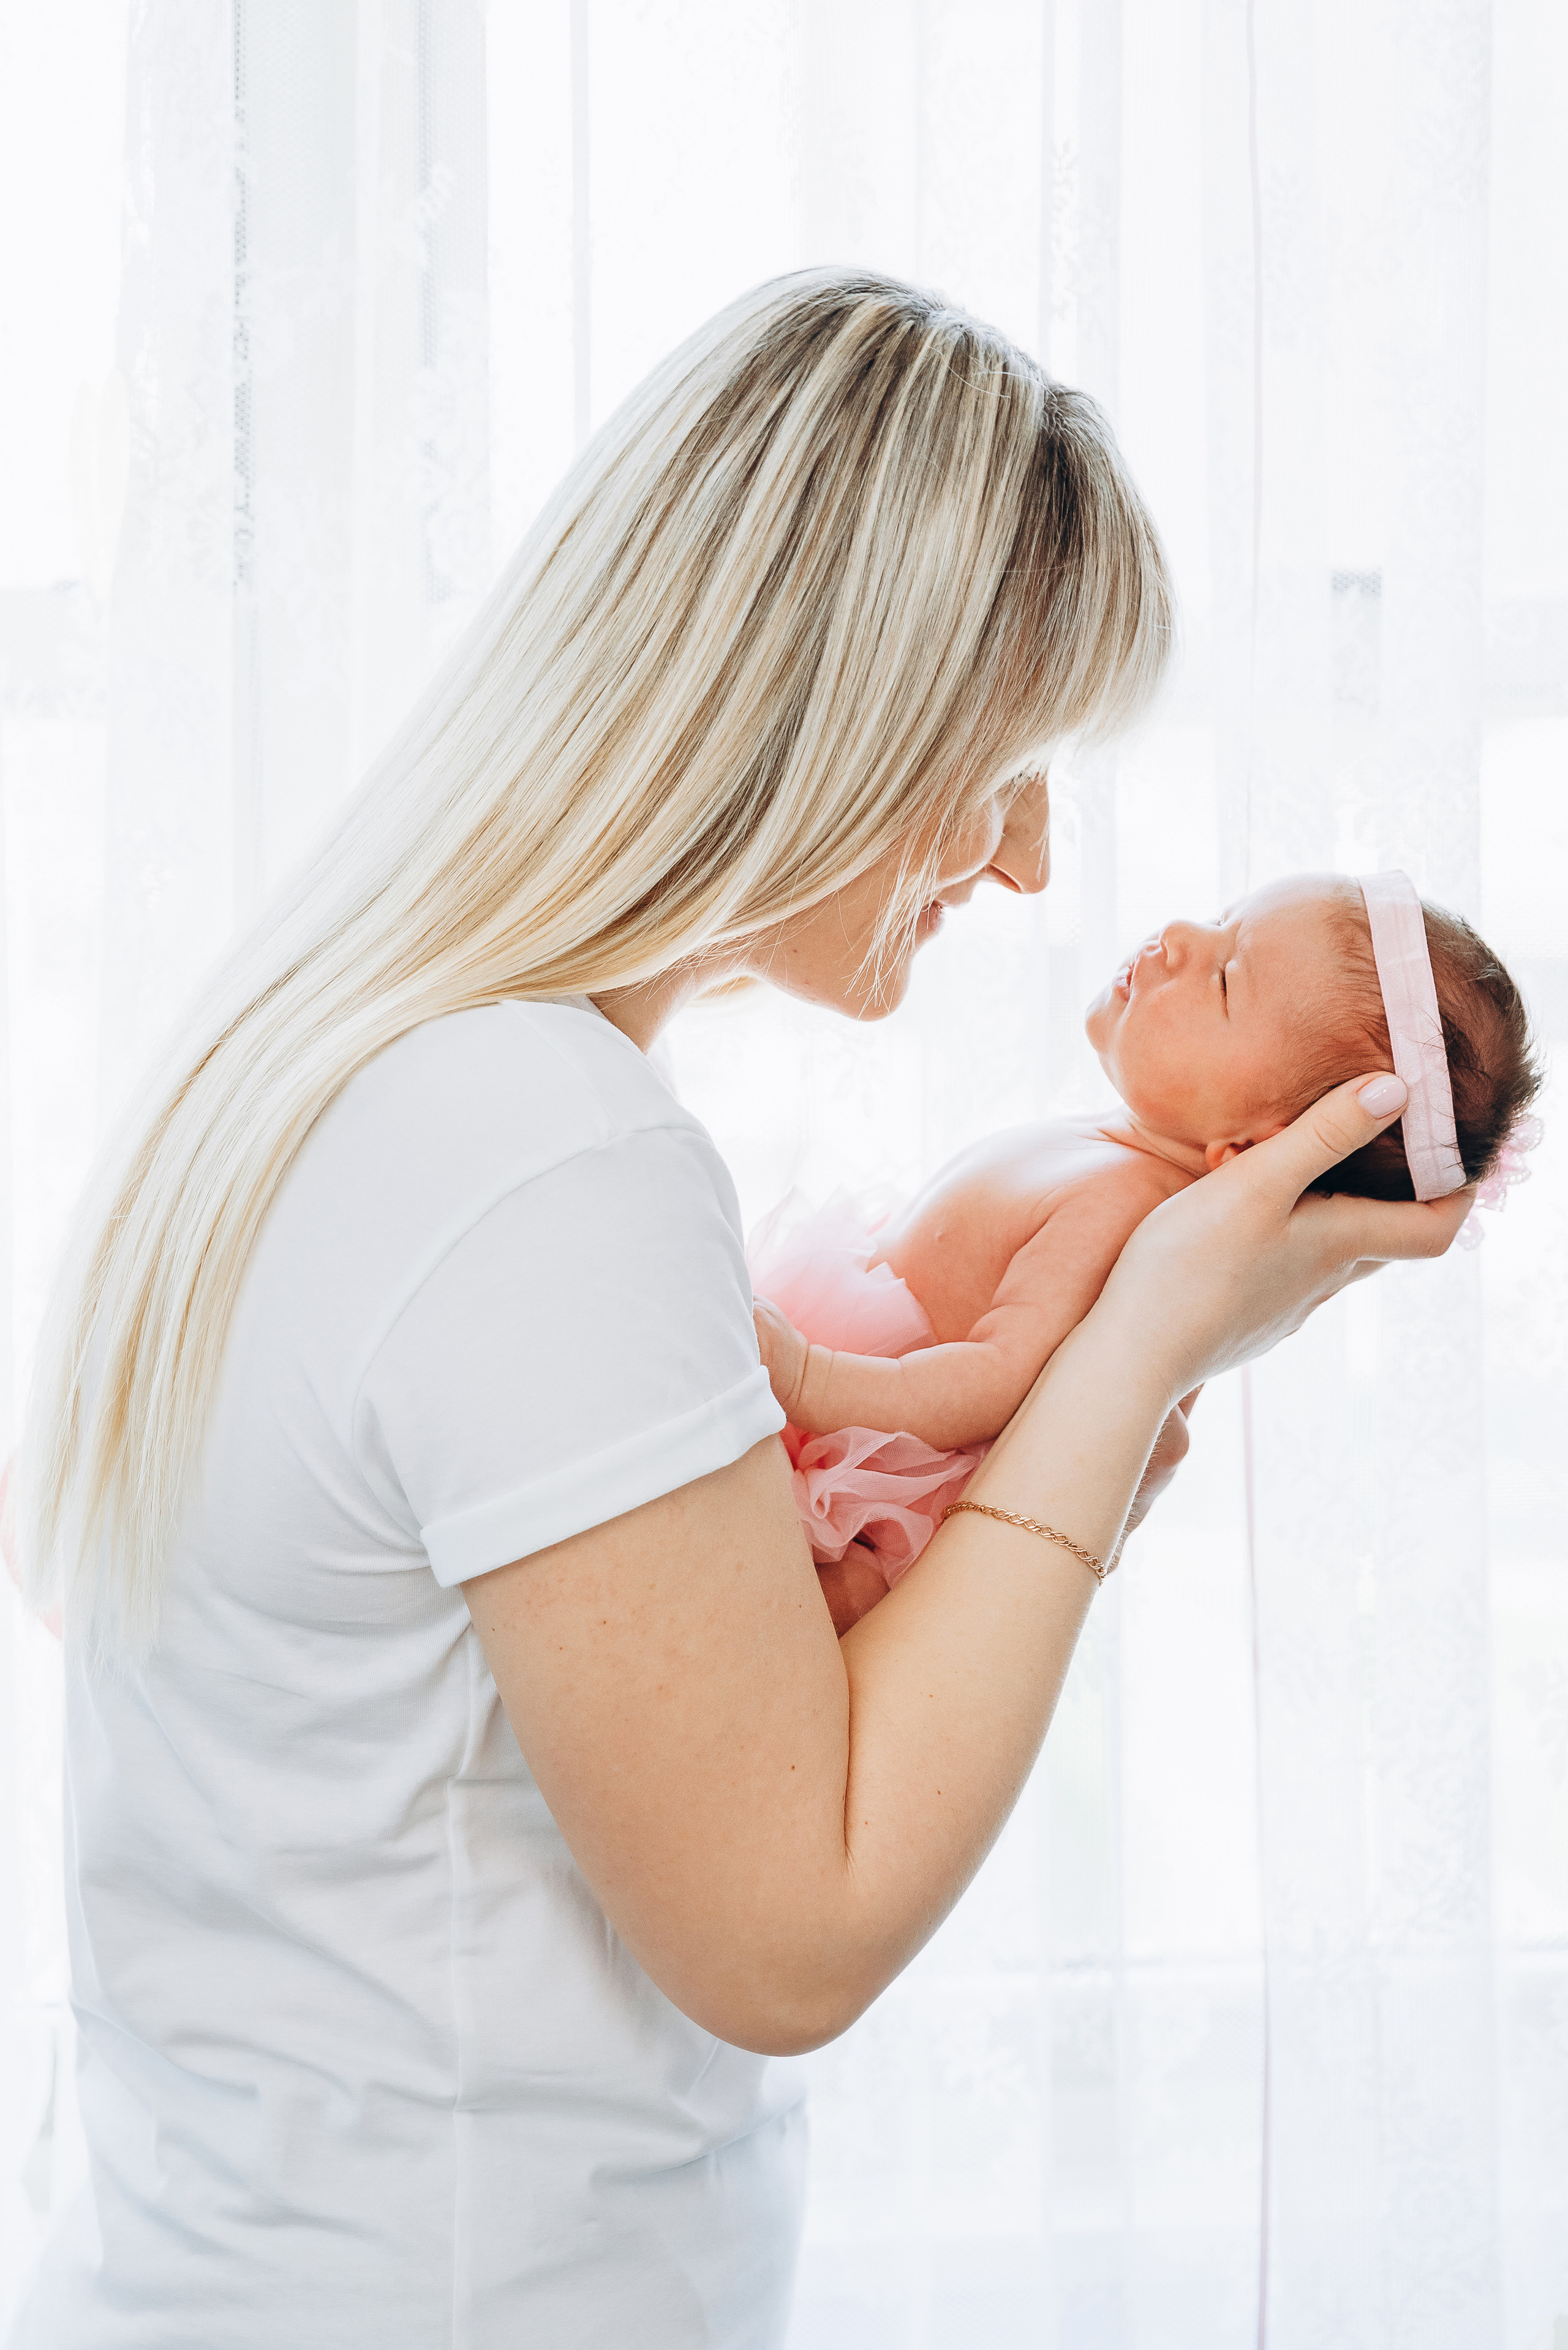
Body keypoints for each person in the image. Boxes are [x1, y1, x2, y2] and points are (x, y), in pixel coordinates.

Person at [8, 271, 1471, 2350]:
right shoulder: (544, 1156)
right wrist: (1143, 1331)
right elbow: (790, 1927)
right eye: (1014, 754)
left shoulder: (355, 1065)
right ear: (832, 699)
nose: (1037, 858)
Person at [750, 870, 1539, 1624]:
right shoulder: (1110, 1148)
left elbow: (991, 1382)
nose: (1179, 937)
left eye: (1227, 979)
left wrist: (805, 1375)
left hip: (859, 1485)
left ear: (1254, 1146)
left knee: (781, 1616)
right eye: (1223, 916)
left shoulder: (1122, 1206)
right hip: (835, 1414)